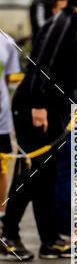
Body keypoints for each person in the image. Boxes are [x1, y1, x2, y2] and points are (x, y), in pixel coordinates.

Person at [1, 0, 77, 260]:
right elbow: (41, 64)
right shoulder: (62, 24)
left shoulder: (68, 23)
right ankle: (8, 235)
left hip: (52, 108)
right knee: (30, 172)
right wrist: (38, 106)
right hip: (35, 107)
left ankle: (49, 240)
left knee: (45, 176)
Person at [0, 33, 20, 219]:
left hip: (2, 120)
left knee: (1, 169)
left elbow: (5, 79)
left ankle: (1, 216)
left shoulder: (7, 42)